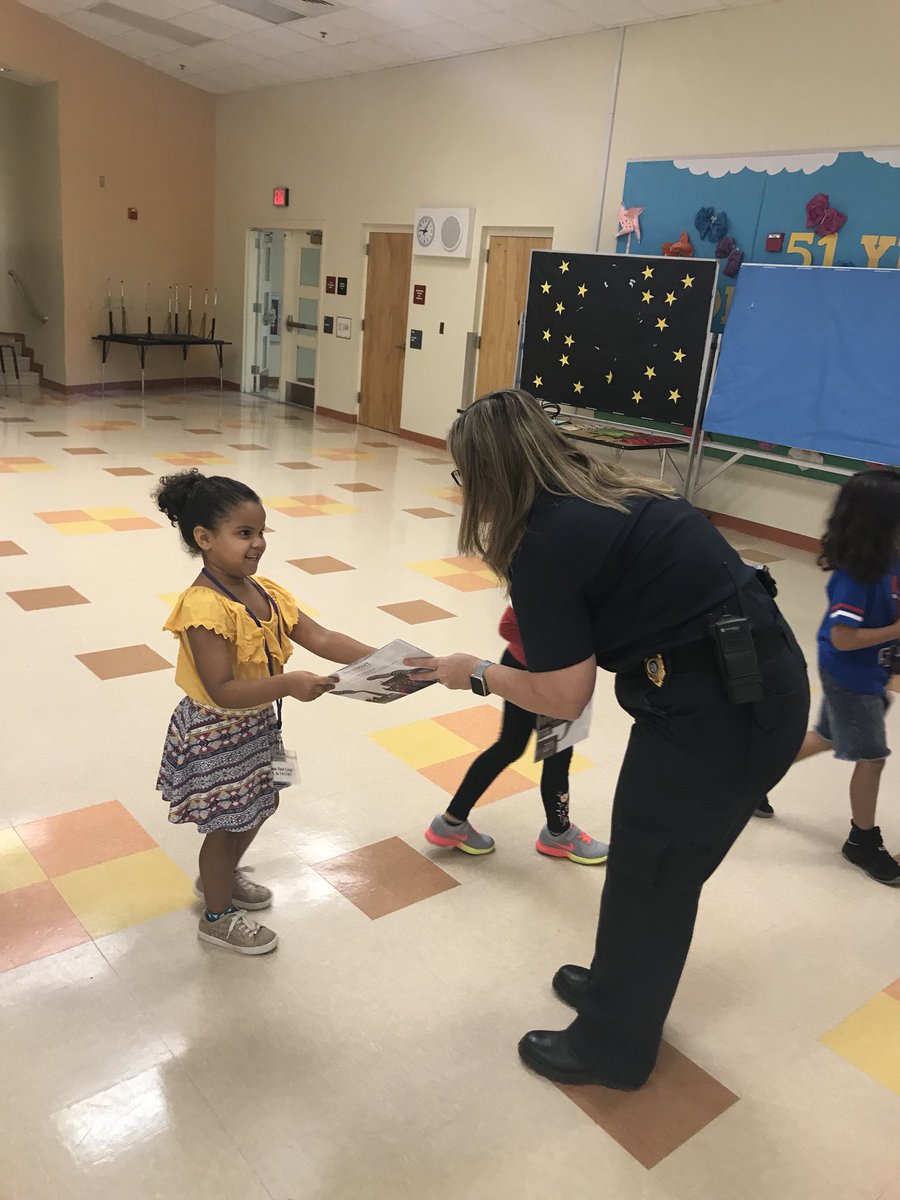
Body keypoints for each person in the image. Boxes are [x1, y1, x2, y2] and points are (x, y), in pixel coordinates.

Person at [411, 389, 809, 1091]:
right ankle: (615, 990)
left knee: (652, 878)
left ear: (486, 477)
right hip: (746, 688)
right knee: (649, 873)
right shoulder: (613, 497)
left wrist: (473, 672)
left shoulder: (545, 542)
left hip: (721, 713)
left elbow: (563, 695)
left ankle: (614, 1049)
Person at [154, 470, 374, 955]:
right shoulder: (204, 608)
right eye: (244, 534)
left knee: (258, 806)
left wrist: (382, 658)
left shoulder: (266, 591)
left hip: (257, 725)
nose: (257, 545)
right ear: (204, 539)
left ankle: (223, 878)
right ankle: (216, 915)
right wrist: (290, 684)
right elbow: (223, 689)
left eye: (260, 533)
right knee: (226, 823)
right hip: (217, 728)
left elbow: (321, 637)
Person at [758, 470, 900, 883]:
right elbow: (843, 638)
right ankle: (862, 840)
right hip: (849, 673)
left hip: (870, 672)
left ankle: (750, 780)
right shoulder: (856, 577)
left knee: (827, 737)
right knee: (872, 758)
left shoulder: (891, 560)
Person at [425, 603, 609, 863]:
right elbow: (508, 626)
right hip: (547, 675)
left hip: (545, 670)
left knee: (512, 746)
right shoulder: (552, 575)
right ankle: (558, 834)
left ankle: (452, 821)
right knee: (555, 754)